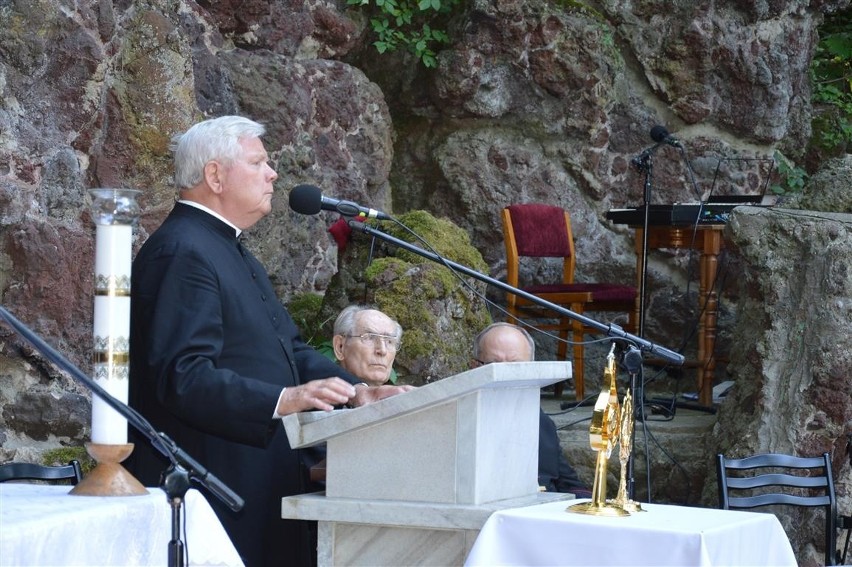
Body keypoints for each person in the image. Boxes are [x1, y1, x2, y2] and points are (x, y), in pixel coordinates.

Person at [127, 115, 411, 567]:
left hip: (256, 479)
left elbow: (291, 350)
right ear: (215, 175)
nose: (273, 173)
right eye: (258, 162)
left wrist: (359, 390)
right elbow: (182, 376)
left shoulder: (227, 247)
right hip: (215, 486)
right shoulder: (182, 251)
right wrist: (282, 399)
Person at [472, 322, 592, 497]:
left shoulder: (540, 421)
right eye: (495, 365)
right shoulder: (463, 421)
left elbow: (568, 483)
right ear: (475, 366)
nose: (507, 376)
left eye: (516, 366)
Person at [330, 305, 402, 387]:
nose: (383, 350)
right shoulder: (317, 396)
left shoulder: (406, 398)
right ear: (340, 347)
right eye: (370, 337)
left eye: (389, 341)